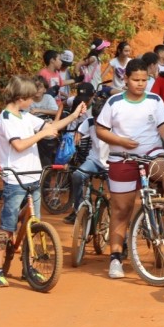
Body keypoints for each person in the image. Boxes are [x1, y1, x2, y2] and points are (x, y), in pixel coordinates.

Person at [0, 76, 87, 287]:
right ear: (21, 97)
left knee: (33, 225)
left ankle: (28, 268)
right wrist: (43, 134)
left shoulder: (25, 116)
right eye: (30, 98)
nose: (33, 102)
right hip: (15, 179)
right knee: (7, 225)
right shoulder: (5, 118)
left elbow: (52, 127)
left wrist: (74, 116)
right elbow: (19, 146)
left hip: (34, 176)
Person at [96, 59, 164, 279]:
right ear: (126, 79)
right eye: (136, 80)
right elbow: (100, 130)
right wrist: (120, 141)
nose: (140, 84)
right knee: (121, 210)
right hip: (121, 157)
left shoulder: (154, 100)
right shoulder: (114, 102)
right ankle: (116, 258)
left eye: (144, 80)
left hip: (151, 153)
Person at [64, 87, 109, 224]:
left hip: (112, 163)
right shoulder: (89, 122)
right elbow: (78, 135)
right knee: (77, 175)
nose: (96, 123)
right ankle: (78, 208)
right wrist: (74, 145)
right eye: (95, 120)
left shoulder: (118, 123)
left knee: (117, 196)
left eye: (99, 120)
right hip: (94, 161)